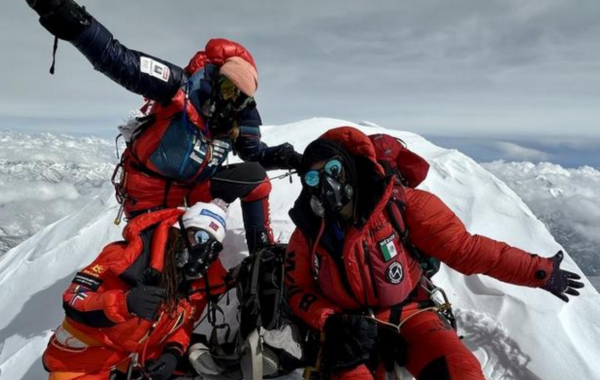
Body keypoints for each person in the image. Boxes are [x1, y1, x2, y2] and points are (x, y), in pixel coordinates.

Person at [284, 127, 584, 380]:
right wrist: (331, 321)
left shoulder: (403, 205)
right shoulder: (309, 231)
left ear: (351, 168)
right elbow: (297, 290)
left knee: (460, 371)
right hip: (348, 327)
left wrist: (538, 271)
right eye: (314, 177)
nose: (326, 182)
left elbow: (468, 250)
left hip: (413, 313)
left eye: (333, 170)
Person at [25, 0, 302, 253]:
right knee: (157, 262)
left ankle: (263, 256)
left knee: (255, 180)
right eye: (228, 87)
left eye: (240, 96)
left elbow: (254, 154)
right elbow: (119, 60)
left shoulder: (241, 118)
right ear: (216, 78)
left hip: (194, 192)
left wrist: (288, 157)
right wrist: (73, 21)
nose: (231, 98)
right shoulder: (178, 85)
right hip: (148, 193)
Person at [43, 200, 232, 380]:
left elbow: (183, 326)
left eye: (212, 247)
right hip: (82, 363)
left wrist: (172, 354)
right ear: (179, 231)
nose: (203, 251)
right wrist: (125, 303)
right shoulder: (124, 257)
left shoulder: (194, 286)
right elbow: (74, 298)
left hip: (133, 364)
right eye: (200, 237)